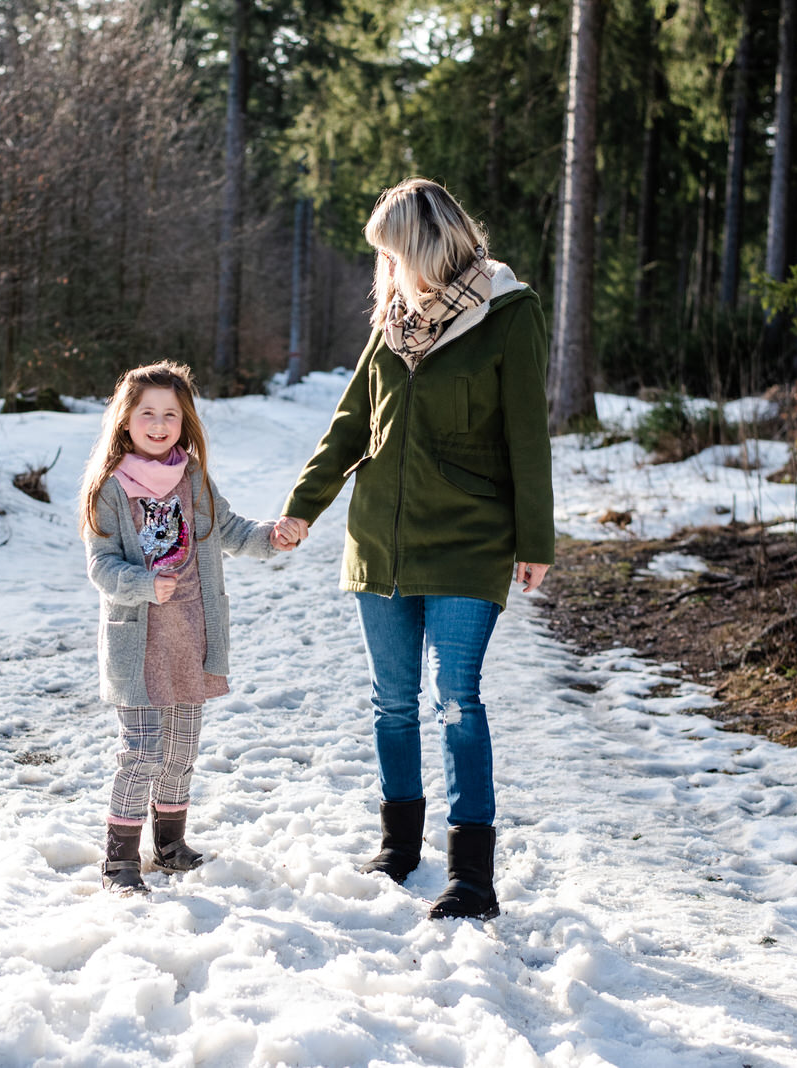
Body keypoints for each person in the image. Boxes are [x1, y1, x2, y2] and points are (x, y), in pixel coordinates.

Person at [279, 178, 555, 920]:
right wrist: (302, 510)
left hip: (471, 540)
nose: (386, 271)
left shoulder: (508, 312)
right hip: (381, 543)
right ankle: (399, 847)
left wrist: (536, 540)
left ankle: (473, 875)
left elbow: (528, 435)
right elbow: (348, 428)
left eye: (392, 254)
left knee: (457, 700)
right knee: (391, 703)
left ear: (423, 244)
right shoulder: (393, 323)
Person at [81, 361, 305, 896]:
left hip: (192, 638)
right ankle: (119, 863)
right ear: (125, 420)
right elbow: (101, 566)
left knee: (181, 750)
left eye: (171, 415)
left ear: (185, 422)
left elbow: (228, 530)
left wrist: (272, 535)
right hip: (140, 646)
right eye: (147, 414)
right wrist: (141, 583)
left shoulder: (194, 478)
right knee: (142, 752)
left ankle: (170, 845)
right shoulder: (111, 488)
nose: (159, 425)